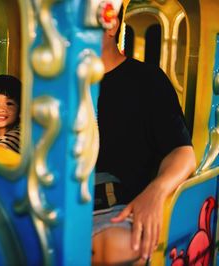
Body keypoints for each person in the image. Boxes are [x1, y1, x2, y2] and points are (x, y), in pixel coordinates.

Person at [92, 5, 196, 265]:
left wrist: (156, 191)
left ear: (112, 24)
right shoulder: (61, 87)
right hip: (61, 204)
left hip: (118, 203)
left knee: (120, 245)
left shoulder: (146, 80)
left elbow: (182, 151)